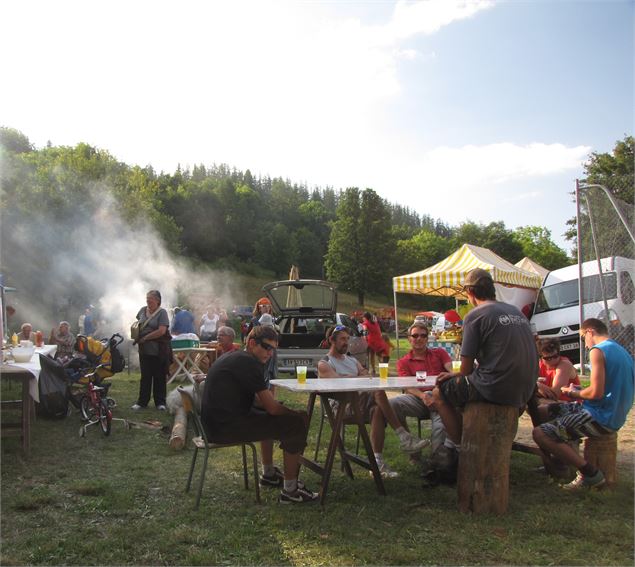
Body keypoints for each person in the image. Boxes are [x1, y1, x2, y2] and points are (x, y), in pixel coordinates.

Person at [201, 325, 319, 503]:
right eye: (267, 347)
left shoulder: (236, 356)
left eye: (273, 349)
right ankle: (290, 491)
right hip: (223, 429)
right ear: (251, 343)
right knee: (294, 424)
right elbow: (272, 408)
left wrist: (277, 407)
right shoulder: (249, 362)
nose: (270, 353)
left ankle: (269, 474)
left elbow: (259, 401)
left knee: (273, 414)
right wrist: (295, 413)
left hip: (214, 425)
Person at [431, 268, 538, 446]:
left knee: (439, 392)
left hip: (497, 386)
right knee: (463, 390)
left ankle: (459, 445)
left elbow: (465, 370)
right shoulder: (516, 312)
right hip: (526, 387)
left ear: (470, 292)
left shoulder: (475, 315)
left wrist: (453, 375)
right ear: (492, 289)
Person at [532, 318, 634, 490]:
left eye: (583, 338)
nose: (585, 344)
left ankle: (590, 474)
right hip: (610, 411)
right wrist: (579, 389)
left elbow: (595, 393)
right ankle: (559, 461)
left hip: (601, 417)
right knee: (542, 411)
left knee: (540, 433)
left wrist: (572, 392)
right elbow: (607, 388)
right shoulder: (620, 351)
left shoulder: (597, 351)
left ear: (590, 332)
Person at [317, 325, 429, 478]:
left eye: (348, 339)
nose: (346, 343)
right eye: (343, 339)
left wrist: (352, 378)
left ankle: (377, 462)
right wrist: (356, 378)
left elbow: (368, 376)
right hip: (341, 407)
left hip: (360, 402)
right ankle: (404, 437)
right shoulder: (325, 363)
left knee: (377, 409)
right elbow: (340, 384)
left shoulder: (352, 360)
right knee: (378, 391)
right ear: (332, 340)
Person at [375, 322, 454, 460]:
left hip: (440, 397)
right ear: (409, 339)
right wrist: (423, 396)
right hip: (418, 398)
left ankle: (437, 460)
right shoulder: (403, 362)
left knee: (439, 426)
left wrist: (452, 373)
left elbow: (450, 368)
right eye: (415, 335)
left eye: (423, 336)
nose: (419, 338)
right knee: (391, 404)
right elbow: (408, 387)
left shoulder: (439, 353)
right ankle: (411, 446)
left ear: (427, 338)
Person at [131, 290, 171, 411]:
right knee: (145, 376)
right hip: (144, 350)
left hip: (159, 350)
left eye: (151, 298)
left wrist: (146, 337)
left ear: (158, 300)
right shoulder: (142, 310)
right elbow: (138, 323)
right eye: (147, 298)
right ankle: (142, 402)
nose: (148, 301)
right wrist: (137, 334)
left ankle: (160, 402)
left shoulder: (162, 313)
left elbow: (162, 331)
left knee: (159, 376)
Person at [536, 338, 581, 402]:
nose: (553, 360)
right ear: (540, 358)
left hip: (570, 404)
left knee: (536, 403)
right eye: (548, 358)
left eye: (555, 356)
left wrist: (536, 387)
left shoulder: (564, 365)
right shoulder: (539, 365)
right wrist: (537, 385)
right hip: (552, 402)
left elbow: (555, 395)